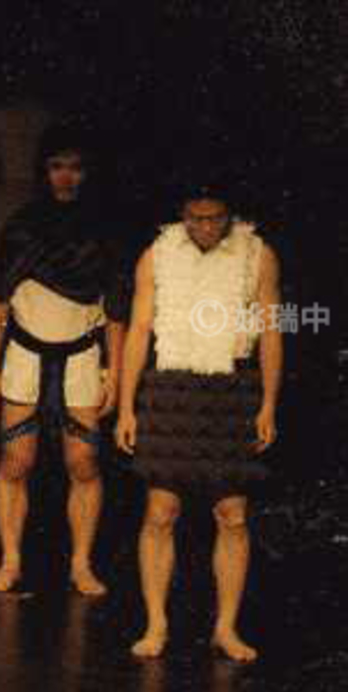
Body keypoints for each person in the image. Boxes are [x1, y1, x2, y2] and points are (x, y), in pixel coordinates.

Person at [116, 184, 281, 662]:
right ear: (183, 215)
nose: (206, 227)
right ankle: (156, 624)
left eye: (215, 218)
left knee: (232, 515)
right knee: (160, 511)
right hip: (171, 389)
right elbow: (139, 330)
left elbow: (271, 329)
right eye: (196, 218)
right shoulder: (157, 254)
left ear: (229, 215)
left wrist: (269, 403)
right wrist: (126, 406)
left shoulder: (257, 254)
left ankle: (225, 628)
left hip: (232, 390)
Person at [0, 127, 127, 596]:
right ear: (43, 171)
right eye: (57, 166)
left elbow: (117, 311)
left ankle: (81, 564)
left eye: (76, 167)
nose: (66, 176)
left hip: (82, 356)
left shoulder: (103, 229)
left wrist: (116, 372)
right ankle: (10, 561)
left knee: (83, 462)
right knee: (15, 459)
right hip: (24, 354)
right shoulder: (21, 226)